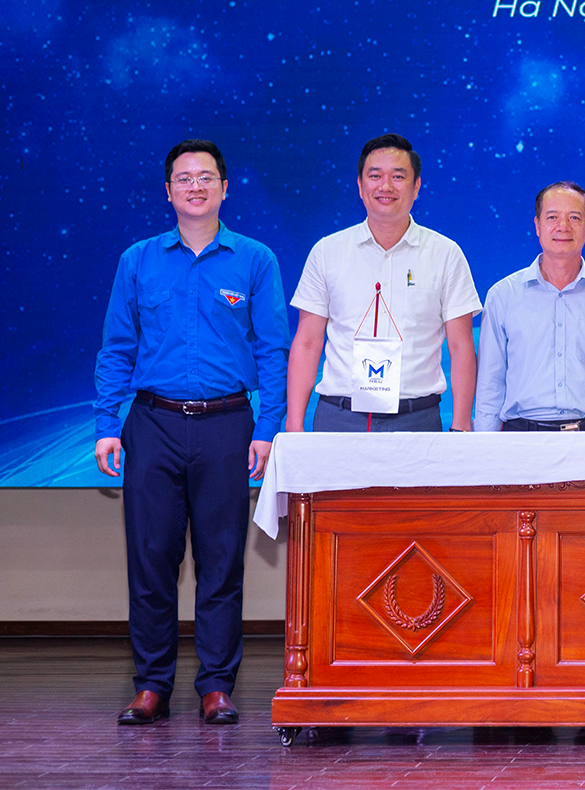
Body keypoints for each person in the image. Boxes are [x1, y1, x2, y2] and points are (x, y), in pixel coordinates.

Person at [93, 139, 288, 727]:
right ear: (169, 191)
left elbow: (274, 349)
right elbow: (117, 347)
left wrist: (268, 428)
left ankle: (216, 686)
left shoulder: (255, 259)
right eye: (184, 178)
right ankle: (151, 684)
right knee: (150, 559)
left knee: (222, 561)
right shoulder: (138, 260)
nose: (195, 186)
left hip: (227, 425)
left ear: (225, 189)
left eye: (207, 177)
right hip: (150, 424)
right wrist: (107, 425)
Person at [284, 133, 481, 434]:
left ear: (416, 187)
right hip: (339, 419)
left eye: (398, 176)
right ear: (360, 186)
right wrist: (295, 425)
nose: (385, 186)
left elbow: (461, 345)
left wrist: (461, 426)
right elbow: (308, 343)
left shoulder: (445, 254)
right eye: (375, 176)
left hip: (417, 419)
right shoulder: (327, 251)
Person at [474, 181, 585, 432]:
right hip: (523, 439)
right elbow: (490, 381)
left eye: (574, 217)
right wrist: (483, 444)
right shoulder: (503, 295)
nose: (563, 226)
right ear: (537, 225)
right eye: (552, 217)